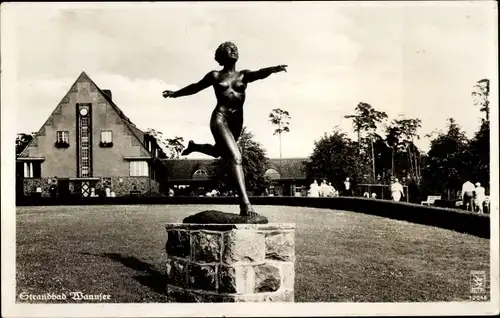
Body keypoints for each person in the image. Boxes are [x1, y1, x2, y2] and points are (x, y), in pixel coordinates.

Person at [162, 42, 287, 217]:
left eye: (236, 48)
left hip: (237, 122)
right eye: (229, 48)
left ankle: (195, 146)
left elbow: (259, 73)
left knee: (218, 153)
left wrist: (273, 69)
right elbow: (195, 87)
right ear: (221, 55)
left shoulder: (243, 75)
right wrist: (175, 93)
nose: (234, 50)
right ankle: (245, 204)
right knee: (236, 157)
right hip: (220, 118)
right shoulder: (215, 75)